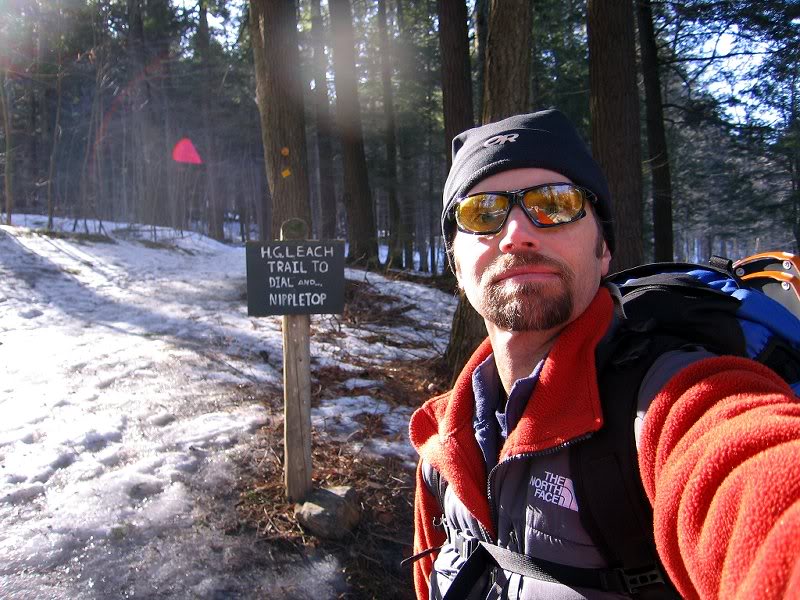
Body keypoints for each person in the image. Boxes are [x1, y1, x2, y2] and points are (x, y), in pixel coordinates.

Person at [408, 109, 800, 599]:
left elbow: (756, 480)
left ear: (604, 248)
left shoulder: (674, 396)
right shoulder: (442, 451)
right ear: (456, 264)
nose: (516, 234)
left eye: (555, 204)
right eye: (481, 213)